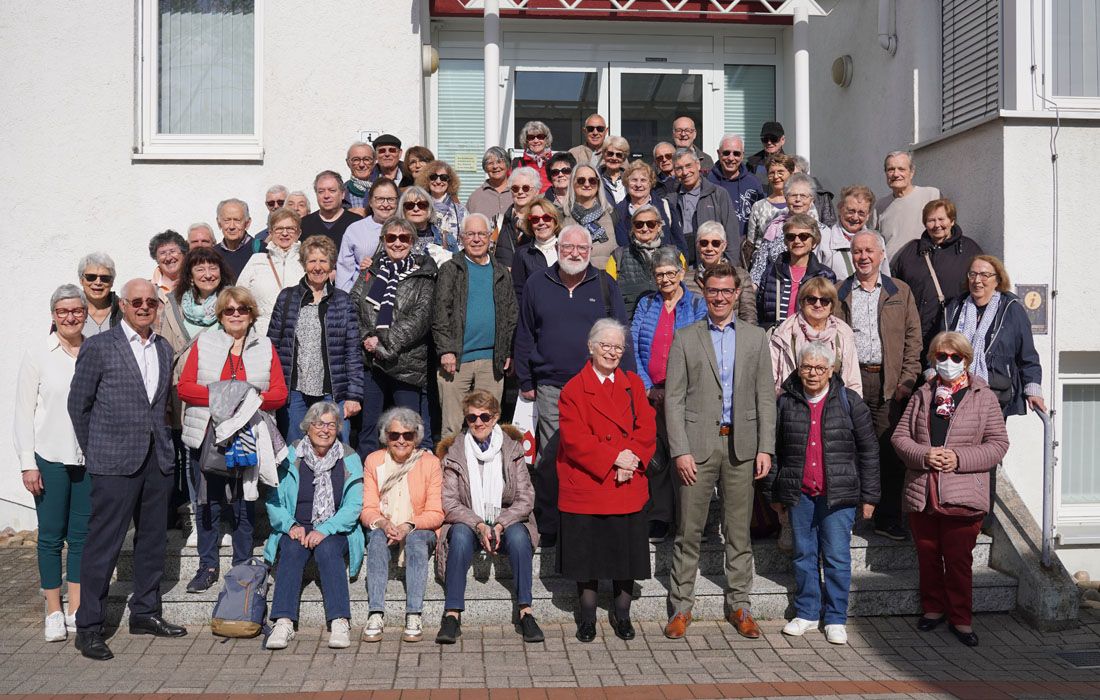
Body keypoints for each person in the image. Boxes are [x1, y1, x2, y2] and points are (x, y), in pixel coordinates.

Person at [68, 279, 186, 660]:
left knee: (152, 541)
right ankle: (89, 627)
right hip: (113, 462)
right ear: (123, 304)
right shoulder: (99, 346)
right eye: (136, 301)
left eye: (151, 301)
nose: (144, 306)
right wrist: (96, 450)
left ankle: (145, 612)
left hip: (157, 459)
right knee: (104, 544)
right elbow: (78, 404)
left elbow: (159, 405)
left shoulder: (164, 347)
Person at [663, 262, 775, 641]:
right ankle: (681, 607)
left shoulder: (756, 338)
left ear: (737, 293)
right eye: (714, 291)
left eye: (727, 291)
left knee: (738, 532)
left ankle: (740, 605)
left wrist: (766, 447)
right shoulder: (685, 337)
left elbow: (765, 397)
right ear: (704, 293)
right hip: (696, 447)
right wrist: (680, 450)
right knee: (688, 531)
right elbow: (674, 400)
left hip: (742, 446)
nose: (721, 297)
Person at [514, 225, 634, 546]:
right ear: (558, 249)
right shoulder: (537, 283)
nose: (575, 253)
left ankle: (587, 520)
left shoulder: (605, 284)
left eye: (582, 248)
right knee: (551, 457)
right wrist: (525, 379)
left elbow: (621, 335)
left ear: (590, 251)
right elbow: (525, 333)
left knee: (594, 454)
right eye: (568, 247)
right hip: (551, 386)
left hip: (596, 386)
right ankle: (551, 523)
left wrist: (628, 383)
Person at [892, 331, 1009, 648]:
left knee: (958, 561)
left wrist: (958, 458)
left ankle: (960, 618)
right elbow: (900, 438)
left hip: (964, 494)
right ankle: (933, 609)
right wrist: (924, 455)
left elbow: (998, 444)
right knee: (928, 555)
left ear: (966, 360)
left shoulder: (984, 397)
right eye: (941, 356)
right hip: (924, 491)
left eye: (955, 357)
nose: (948, 362)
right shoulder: (922, 395)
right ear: (933, 359)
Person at [765, 341, 880, 645]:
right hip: (800, 493)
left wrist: (870, 497)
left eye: (819, 367)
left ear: (831, 370)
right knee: (803, 554)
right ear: (798, 368)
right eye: (807, 367)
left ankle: (836, 617)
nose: (813, 373)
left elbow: (869, 450)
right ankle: (807, 612)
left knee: (837, 557)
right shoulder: (786, 402)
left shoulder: (849, 401)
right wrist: (774, 493)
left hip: (838, 496)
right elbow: (774, 450)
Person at [176, 287, 288, 593]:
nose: (236, 315)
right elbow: (185, 388)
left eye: (242, 309)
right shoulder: (205, 343)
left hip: (249, 433)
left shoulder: (265, 346)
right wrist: (230, 396)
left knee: (244, 501)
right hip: (209, 435)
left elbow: (279, 393)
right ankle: (207, 566)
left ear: (251, 314)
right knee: (208, 502)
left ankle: (241, 564)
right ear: (221, 315)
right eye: (229, 310)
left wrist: (244, 401)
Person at [557, 319, 656, 642]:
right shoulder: (574, 389)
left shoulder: (633, 384)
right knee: (587, 558)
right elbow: (575, 440)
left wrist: (632, 460)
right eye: (606, 345)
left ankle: (622, 615)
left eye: (618, 347)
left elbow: (647, 427)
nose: (612, 352)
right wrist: (615, 458)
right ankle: (587, 618)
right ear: (591, 347)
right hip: (589, 482)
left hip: (627, 480)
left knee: (625, 555)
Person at [434, 390, 543, 644]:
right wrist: (479, 524)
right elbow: (449, 502)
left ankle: (526, 611)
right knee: (460, 537)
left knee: (519, 538)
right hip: (470, 520)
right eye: (472, 417)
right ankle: (452, 614)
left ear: (495, 418)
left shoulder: (512, 448)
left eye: (484, 416)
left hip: (507, 520)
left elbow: (526, 497)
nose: (478, 422)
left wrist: (502, 523)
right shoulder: (455, 451)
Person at [14, 284, 90, 642]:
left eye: (76, 311)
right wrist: (27, 463)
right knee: (49, 537)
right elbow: (22, 413)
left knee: (81, 537)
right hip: (49, 458)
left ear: (85, 314)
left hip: (87, 459)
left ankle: (76, 608)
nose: (70, 317)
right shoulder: (38, 354)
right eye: (63, 311)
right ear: (53, 315)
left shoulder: (95, 350)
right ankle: (53, 610)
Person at [837, 232, 923, 541]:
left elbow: (914, 338)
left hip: (889, 382)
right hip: (852, 381)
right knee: (849, 449)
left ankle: (887, 518)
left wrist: (906, 379)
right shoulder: (840, 291)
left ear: (881, 254)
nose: (863, 257)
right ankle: (848, 516)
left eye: (869, 251)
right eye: (857, 251)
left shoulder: (899, 290)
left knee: (889, 450)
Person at [264, 401, 364, 650]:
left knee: (328, 550)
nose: (325, 430)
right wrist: (290, 525)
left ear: (338, 428)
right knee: (291, 549)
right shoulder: (290, 456)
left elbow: (353, 506)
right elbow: (274, 499)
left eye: (331, 424)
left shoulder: (349, 457)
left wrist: (324, 529)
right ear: (307, 427)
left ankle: (340, 620)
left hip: (335, 527)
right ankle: (283, 621)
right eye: (318, 424)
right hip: (297, 525)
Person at [630, 248, 708, 542]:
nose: (664, 279)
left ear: (681, 273)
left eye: (670, 273)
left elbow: (700, 348)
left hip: (685, 394)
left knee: (685, 457)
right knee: (657, 456)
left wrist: (674, 390)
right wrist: (648, 386)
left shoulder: (696, 304)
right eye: (659, 274)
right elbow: (634, 344)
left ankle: (689, 520)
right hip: (651, 393)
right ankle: (660, 516)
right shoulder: (646, 304)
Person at [352, 219, 438, 453]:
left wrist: (382, 343)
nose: (397, 243)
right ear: (383, 241)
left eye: (403, 238)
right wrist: (366, 337)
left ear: (412, 241)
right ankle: (368, 473)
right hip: (371, 362)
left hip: (406, 363)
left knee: (408, 429)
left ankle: (412, 474)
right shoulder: (371, 271)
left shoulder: (424, 274)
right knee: (369, 429)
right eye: (391, 238)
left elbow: (420, 318)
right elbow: (354, 307)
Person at [269, 235, 363, 445]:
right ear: (304, 264)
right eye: (312, 261)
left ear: (331, 264)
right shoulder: (287, 298)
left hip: (334, 391)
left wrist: (354, 395)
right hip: (295, 392)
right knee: (295, 449)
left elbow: (353, 351)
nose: (318, 267)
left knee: (338, 447)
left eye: (323, 261)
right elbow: (273, 345)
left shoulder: (342, 301)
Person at [361, 407, 443, 644]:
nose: (401, 440)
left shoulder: (430, 462)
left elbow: (436, 512)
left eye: (407, 435)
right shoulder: (374, 460)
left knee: (416, 540)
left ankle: (414, 614)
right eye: (394, 435)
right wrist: (383, 523)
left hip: (418, 527)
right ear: (385, 436)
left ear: (416, 437)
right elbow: (368, 508)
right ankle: (376, 612)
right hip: (386, 526)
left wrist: (409, 525)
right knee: (377, 538)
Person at [433, 214, 518, 438]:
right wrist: (446, 350)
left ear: (490, 237)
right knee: (452, 426)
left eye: (481, 234)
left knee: (487, 425)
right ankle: (451, 462)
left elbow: (511, 314)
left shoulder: (501, 272)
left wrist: (506, 350)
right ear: (462, 238)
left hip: (491, 361)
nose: (476, 239)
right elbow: (440, 312)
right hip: (456, 360)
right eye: (470, 234)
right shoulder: (451, 269)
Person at [943, 255, 1046, 416]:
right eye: (972, 274)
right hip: (953, 393)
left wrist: (1033, 391)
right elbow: (939, 347)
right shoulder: (955, 308)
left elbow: (1027, 356)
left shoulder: (1012, 310)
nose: (977, 280)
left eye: (985, 275)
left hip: (995, 395)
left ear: (998, 280)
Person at [891, 198, 983, 347]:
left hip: (952, 335)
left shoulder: (969, 250)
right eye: (931, 220)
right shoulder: (911, 251)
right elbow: (895, 287)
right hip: (915, 335)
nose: (937, 225)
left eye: (941, 219)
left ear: (952, 221)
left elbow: (984, 287)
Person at [770, 278, 862, 396]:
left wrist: (852, 405)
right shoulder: (784, 333)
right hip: (791, 402)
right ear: (802, 302)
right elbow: (769, 378)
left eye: (824, 301)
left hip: (834, 403)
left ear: (832, 306)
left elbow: (852, 381)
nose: (818, 305)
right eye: (811, 299)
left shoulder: (843, 333)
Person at [756, 214, 837, 328]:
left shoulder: (825, 275)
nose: (797, 241)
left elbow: (830, 312)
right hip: (776, 335)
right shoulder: (772, 271)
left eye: (803, 236)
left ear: (814, 242)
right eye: (791, 237)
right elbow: (759, 310)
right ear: (786, 241)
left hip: (811, 335)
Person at [238, 207, 305, 336]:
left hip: (299, 334)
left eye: (290, 228)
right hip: (262, 335)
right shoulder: (257, 261)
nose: (284, 233)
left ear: (299, 232)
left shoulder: (307, 261)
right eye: (279, 229)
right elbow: (239, 297)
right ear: (270, 232)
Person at [666, 149, 737, 267]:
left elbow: (731, 233)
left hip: (713, 266)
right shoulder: (671, 200)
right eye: (679, 168)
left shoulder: (718, 194)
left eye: (688, 166)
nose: (685, 172)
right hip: (681, 267)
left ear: (698, 165)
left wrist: (729, 267)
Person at [158, 247, 234, 355]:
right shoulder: (174, 304)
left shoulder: (234, 301)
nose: (208, 275)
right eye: (200, 270)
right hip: (186, 366)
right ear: (190, 276)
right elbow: (165, 348)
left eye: (213, 268)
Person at [749, 172, 819, 286]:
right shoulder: (774, 228)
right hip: (775, 289)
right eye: (793, 195)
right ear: (786, 199)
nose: (798, 199)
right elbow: (759, 268)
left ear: (811, 200)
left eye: (803, 196)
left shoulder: (822, 231)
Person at [605, 204, 675, 318]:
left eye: (651, 224)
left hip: (667, 321)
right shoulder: (618, 256)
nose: (645, 229)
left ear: (659, 226)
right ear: (633, 228)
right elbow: (608, 293)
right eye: (639, 224)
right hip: (629, 322)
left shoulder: (675, 254)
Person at [337, 178, 400, 293]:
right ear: (370, 202)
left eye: (390, 199)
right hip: (360, 294)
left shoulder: (406, 229)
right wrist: (346, 297)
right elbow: (344, 271)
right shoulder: (355, 230)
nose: (385, 204)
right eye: (380, 199)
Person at [686, 222, 757, 323]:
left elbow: (749, 316)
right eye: (704, 243)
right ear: (698, 246)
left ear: (723, 246)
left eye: (715, 243)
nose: (709, 248)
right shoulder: (686, 280)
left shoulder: (741, 276)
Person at [876, 151, 942, 258]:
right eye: (891, 169)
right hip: (890, 267)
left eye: (901, 169)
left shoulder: (931, 195)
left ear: (911, 172)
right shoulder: (880, 206)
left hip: (923, 264)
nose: (896, 174)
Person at [816, 185, 889, 280]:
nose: (855, 217)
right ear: (840, 208)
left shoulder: (877, 240)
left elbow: (885, 277)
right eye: (850, 211)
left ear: (868, 215)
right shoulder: (823, 239)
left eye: (861, 213)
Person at [706, 133, 766, 243]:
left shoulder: (753, 183)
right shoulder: (708, 182)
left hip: (745, 246)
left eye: (736, 154)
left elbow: (761, 217)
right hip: (714, 245)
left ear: (742, 155)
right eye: (726, 153)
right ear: (718, 153)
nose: (731, 158)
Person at [745, 154, 796, 268]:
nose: (776, 176)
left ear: (791, 174)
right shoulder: (758, 206)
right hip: (763, 266)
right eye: (771, 173)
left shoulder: (800, 203)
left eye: (780, 172)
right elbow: (751, 242)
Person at [611, 160, 677, 249]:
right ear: (626, 182)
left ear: (651, 183)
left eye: (643, 180)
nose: (638, 185)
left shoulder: (666, 206)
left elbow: (679, 242)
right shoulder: (617, 212)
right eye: (634, 180)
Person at [562, 163, 617, 269]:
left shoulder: (612, 214)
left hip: (606, 277)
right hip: (573, 276)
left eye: (592, 180)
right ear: (572, 183)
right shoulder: (562, 215)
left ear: (598, 184)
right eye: (581, 180)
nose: (587, 184)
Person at [510, 197, 561, 304]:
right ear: (530, 224)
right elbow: (518, 293)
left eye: (546, 217)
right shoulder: (523, 253)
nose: (541, 222)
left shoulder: (567, 248)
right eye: (535, 219)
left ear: (555, 221)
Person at [301, 171, 365, 252]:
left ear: (343, 194)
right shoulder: (304, 224)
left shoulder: (357, 223)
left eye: (332, 190)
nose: (326, 196)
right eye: (321, 191)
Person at [494, 166, 542, 268]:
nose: (520, 192)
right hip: (504, 277)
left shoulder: (544, 222)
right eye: (515, 188)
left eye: (526, 188)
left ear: (536, 191)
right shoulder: (497, 221)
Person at [417, 160, 466, 250]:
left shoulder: (460, 210)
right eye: (433, 177)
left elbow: (466, 238)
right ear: (427, 180)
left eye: (443, 178)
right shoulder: (418, 207)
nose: (438, 181)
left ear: (449, 181)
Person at [398, 185, 454, 263]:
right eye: (410, 205)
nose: (416, 209)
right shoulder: (393, 238)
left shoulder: (445, 238)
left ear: (429, 209)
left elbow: (458, 268)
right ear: (403, 210)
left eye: (422, 205)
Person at [465, 147, 513, 226]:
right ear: (485, 168)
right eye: (490, 163)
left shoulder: (519, 192)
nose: (495, 166)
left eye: (499, 162)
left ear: (507, 165)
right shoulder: (476, 197)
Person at [77, 252, 121, 336]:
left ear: (112, 282)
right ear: (81, 280)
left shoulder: (123, 311)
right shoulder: (70, 311)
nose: (98, 282)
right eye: (91, 277)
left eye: (105, 278)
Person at [214, 198, 256, 281]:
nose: (232, 226)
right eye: (227, 220)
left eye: (237, 220)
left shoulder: (261, 250)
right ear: (219, 223)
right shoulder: (213, 254)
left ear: (247, 223)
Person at [792, 155, 837, 229]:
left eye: (796, 175)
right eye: (790, 175)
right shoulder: (781, 195)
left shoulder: (821, 196)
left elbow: (829, 224)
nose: (793, 178)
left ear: (805, 175)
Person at [511, 120, 555, 191]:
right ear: (526, 141)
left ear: (546, 140)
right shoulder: (516, 164)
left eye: (540, 136)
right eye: (531, 137)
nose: (536, 141)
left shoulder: (555, 163)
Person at [148, 230, 187, 296]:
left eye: (172, 251)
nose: (168, 258)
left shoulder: (197, 284)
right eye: (162, 253)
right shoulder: (148, 288)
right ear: (156, 258)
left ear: (184, 254)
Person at [344, 142, 377, 213]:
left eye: (366, 159)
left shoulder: (385, 189)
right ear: (348, 163)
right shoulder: (341, 191)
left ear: (374, 162)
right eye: (356, 160)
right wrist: (346, 214)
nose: (361, 165)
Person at [599, 135, 630, 204]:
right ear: (604, 154)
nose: (614, 158)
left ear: (623, 158)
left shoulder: (630, 179)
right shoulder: (595, 178)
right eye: (610, 154)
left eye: (618, 155)